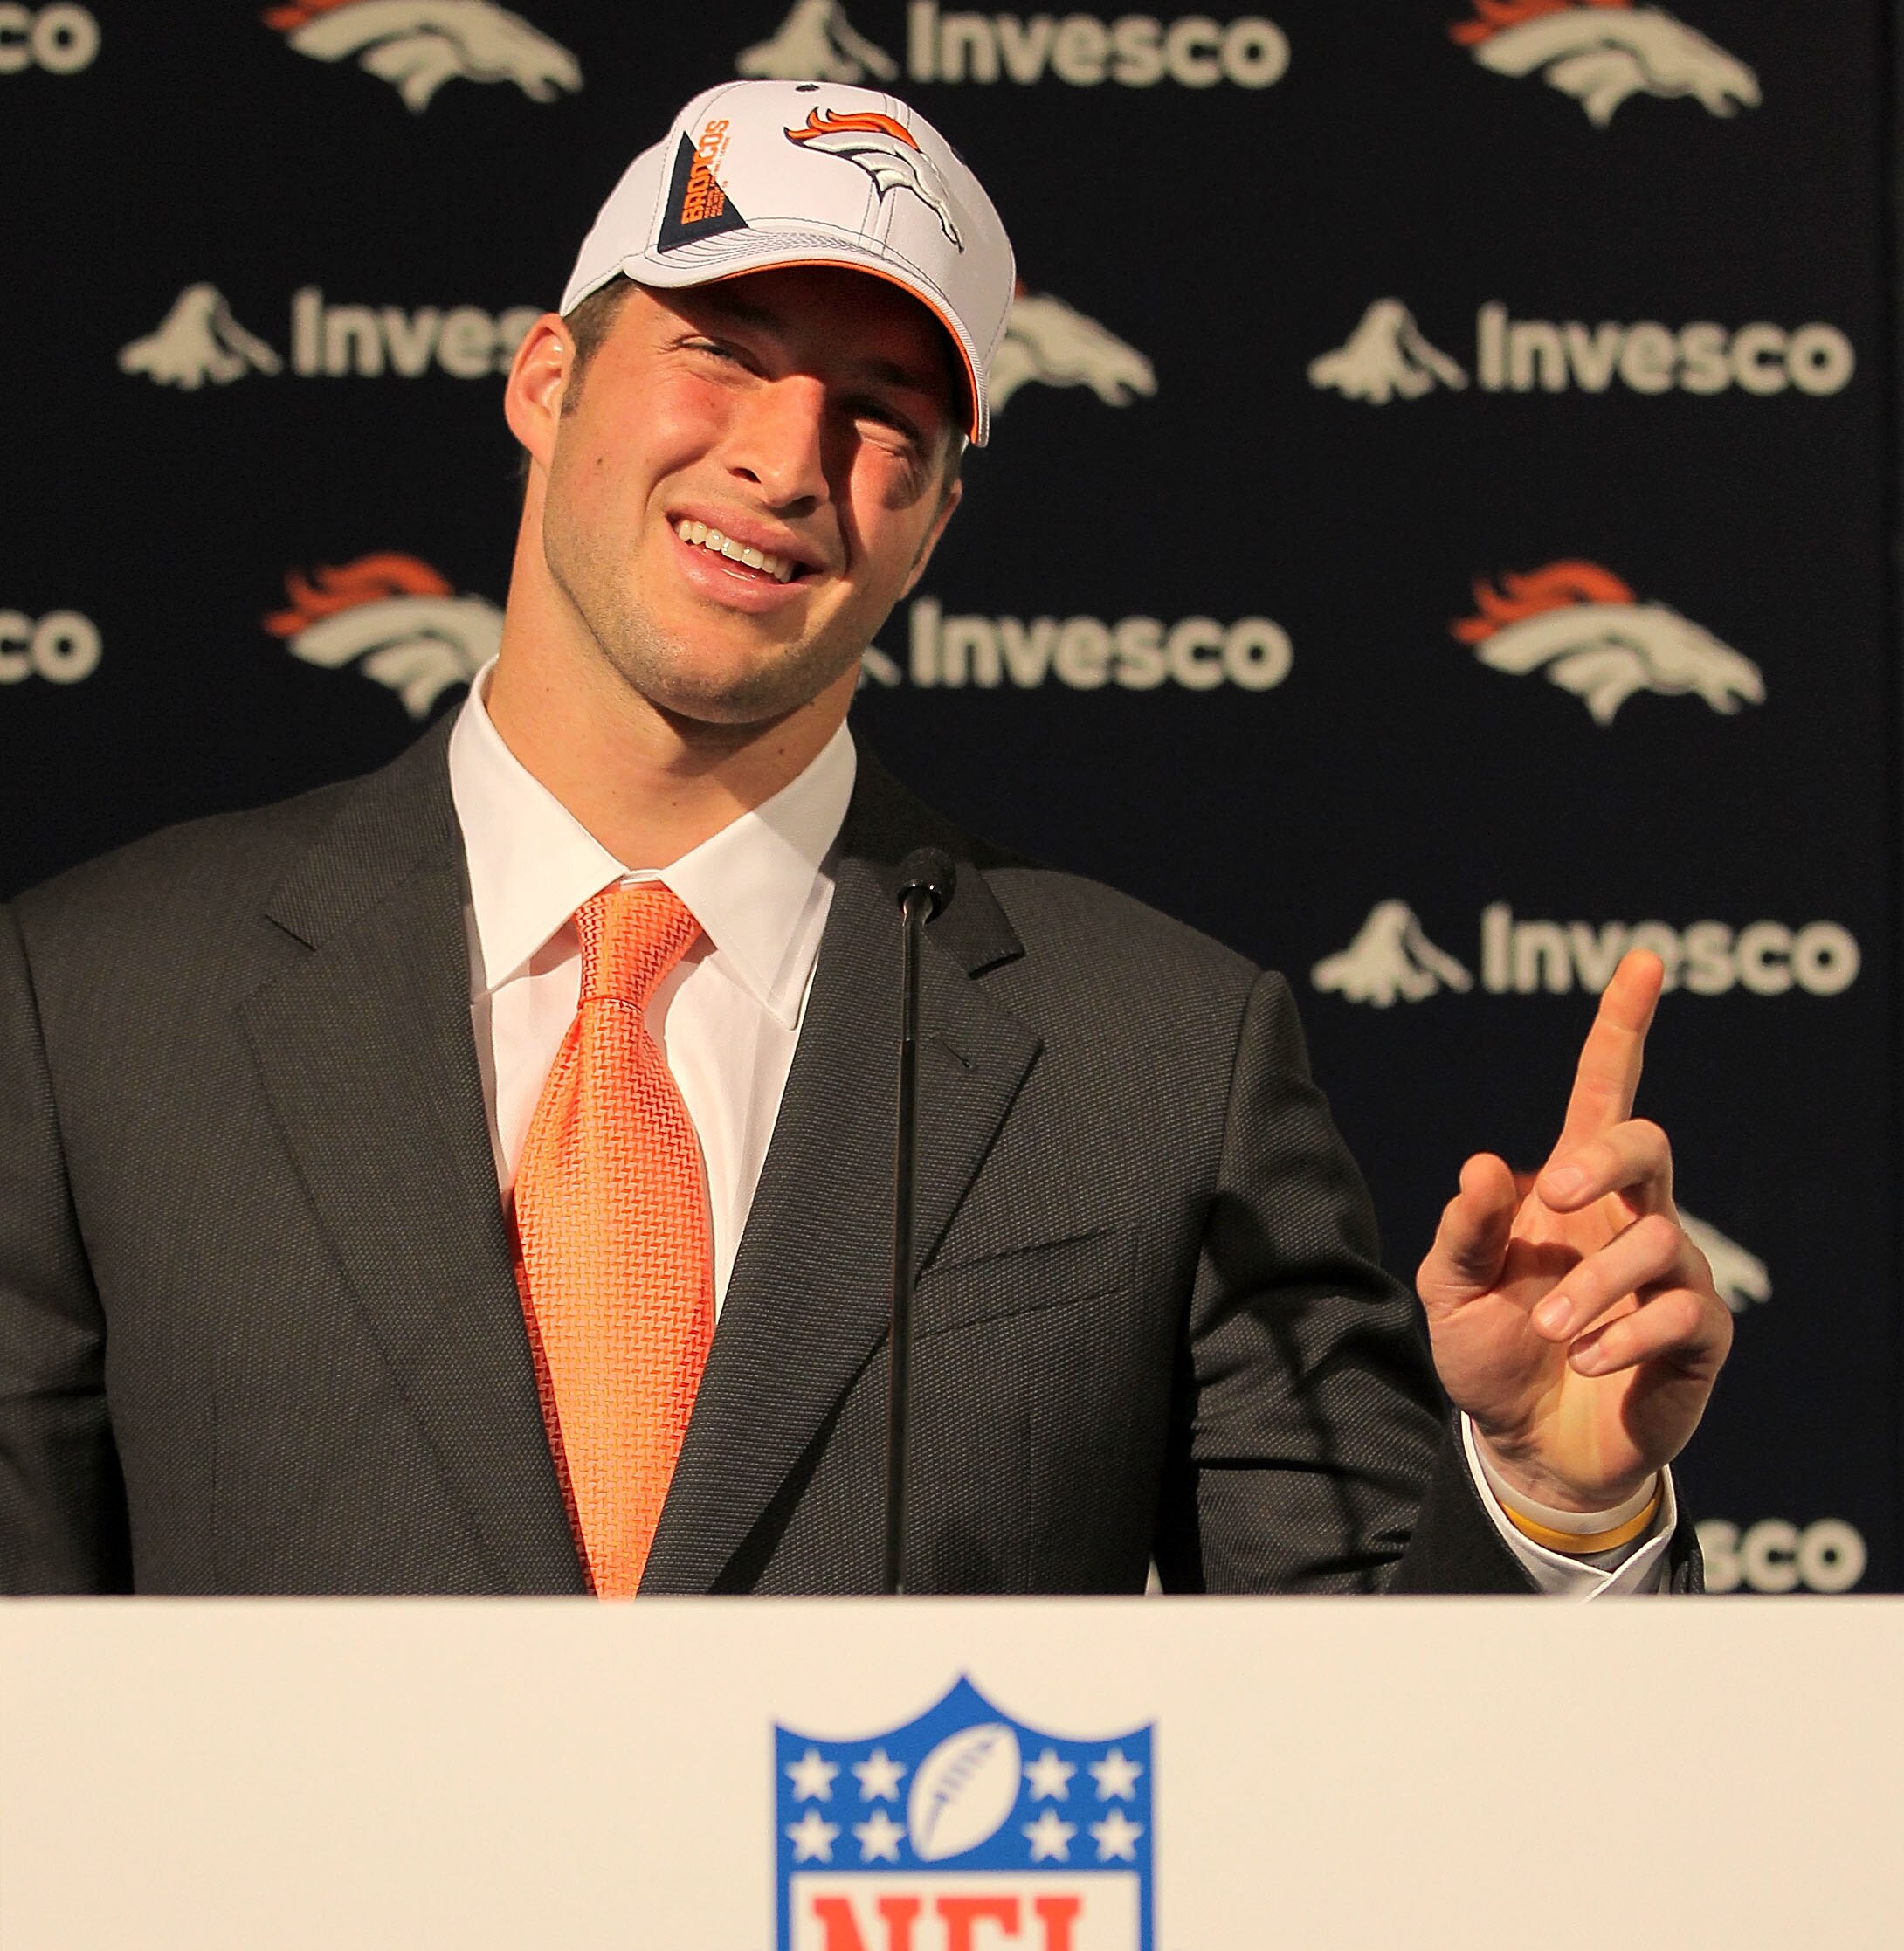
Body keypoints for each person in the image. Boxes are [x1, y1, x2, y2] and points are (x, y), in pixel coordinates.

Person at [0, 80, 1728, 1598]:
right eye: (724, 353)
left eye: (883, 415)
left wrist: (1552, 1503)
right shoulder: (94, 1009)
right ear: (546, 379)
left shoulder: (1159, 1056)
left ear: (936, 521)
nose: (786, 459)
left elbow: (1368, 1752)